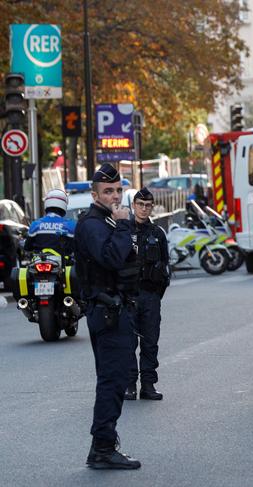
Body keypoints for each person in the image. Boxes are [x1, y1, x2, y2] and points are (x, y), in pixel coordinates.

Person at [75, 163, 141, 470]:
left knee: (113, 379)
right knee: (113, 381)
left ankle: (103, 445)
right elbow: (112, 258)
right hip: (106, 312)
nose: (115, 196)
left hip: (117, 309)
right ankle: (102, 447)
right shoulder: (93, 224)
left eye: (118, 190)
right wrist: (125, 226)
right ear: (95, 193)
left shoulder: (107, 221)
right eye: (107, 191)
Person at [125, 187, 170, 401]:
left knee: (150, 342)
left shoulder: (158, 234)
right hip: (129, 295)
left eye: (148, 205)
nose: (144, 209)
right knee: (128, 342)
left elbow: (165, 266)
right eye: (140, 205)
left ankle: (148, 385)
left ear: (152, 207)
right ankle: (129, 385)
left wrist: (155, 294)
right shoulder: (123, 231)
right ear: (133, 206)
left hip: (150, 295)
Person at [24, 188, 75, 257]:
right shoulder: (70, 225)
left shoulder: (35, 224)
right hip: (63, 265)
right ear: (64, 205)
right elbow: (75, 247)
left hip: (39, 263)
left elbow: (27, 247)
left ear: (46, 204)